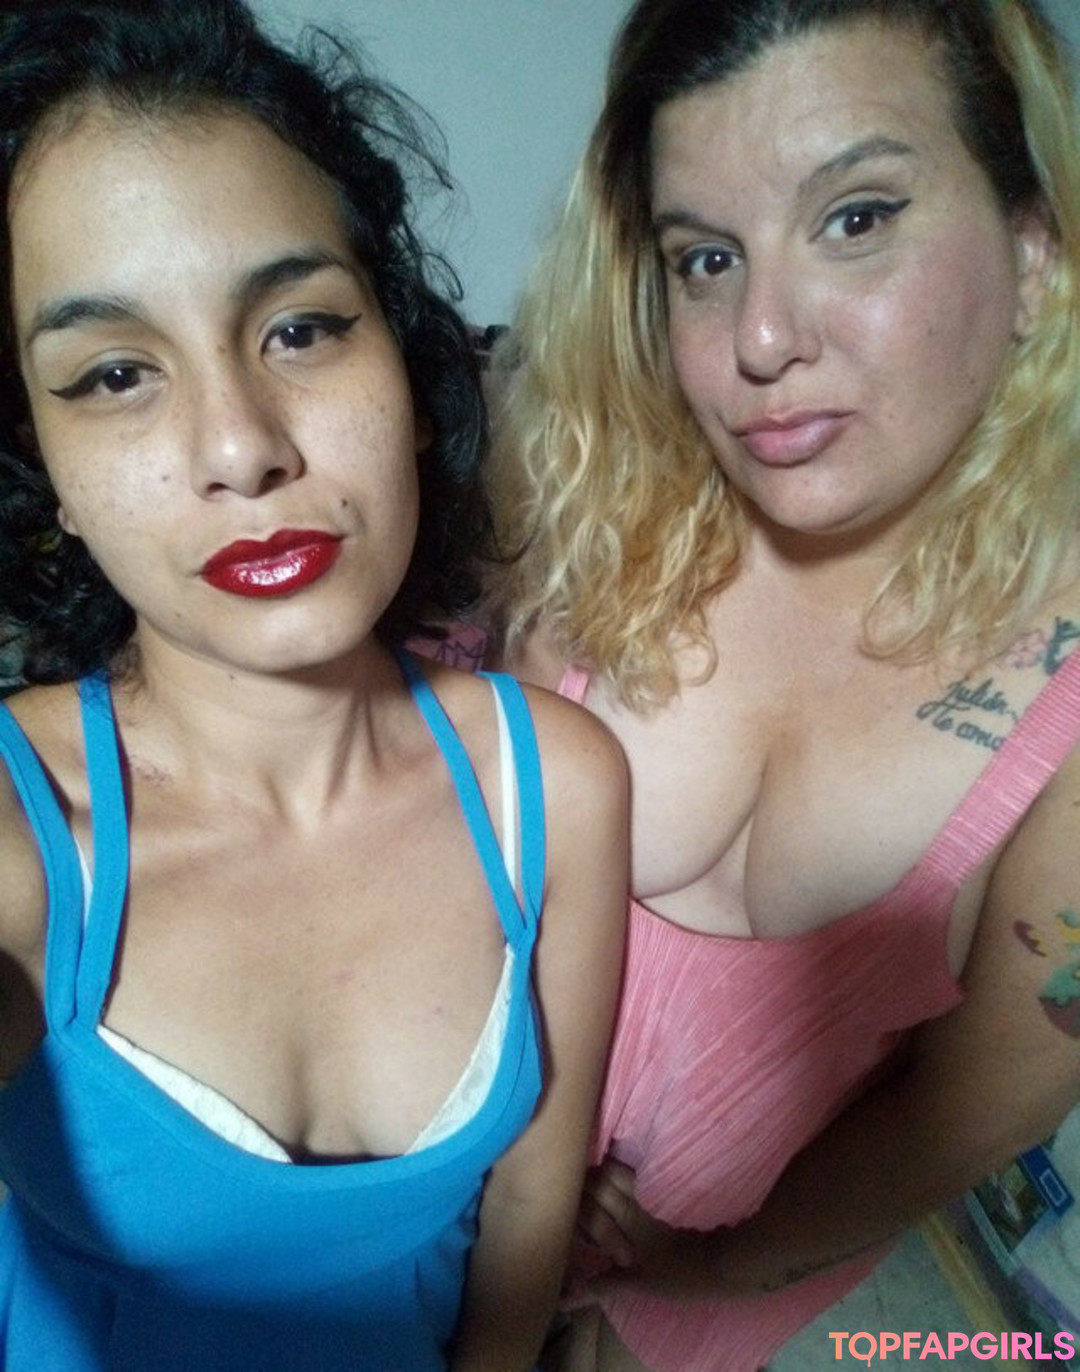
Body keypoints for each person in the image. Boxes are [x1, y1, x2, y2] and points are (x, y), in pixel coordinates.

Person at [0, 2, 627, 1369]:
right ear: (44, 468)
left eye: (300, 329)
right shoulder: (26, 837)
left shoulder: (554, 786)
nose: (241, 446)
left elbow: (529, 1206)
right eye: (115, 373)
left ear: (403, 360)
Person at [486, 0, 1080, 1368]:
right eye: (706, 256)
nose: (759, 338)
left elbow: (963, 1120)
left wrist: (705, 1267)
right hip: (470, 1166)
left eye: (856, 219)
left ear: (1034, 255)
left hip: (738, 1253)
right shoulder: (597, 501)